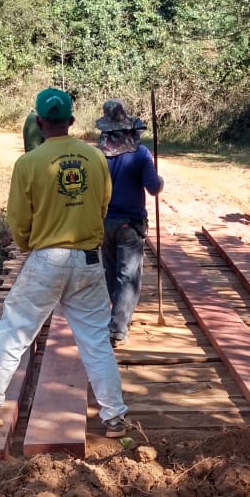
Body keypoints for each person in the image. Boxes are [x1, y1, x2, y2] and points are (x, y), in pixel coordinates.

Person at [0, 87, 133, 438]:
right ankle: (114, 416)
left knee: (13, 334)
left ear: (39, 122)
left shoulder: (28, 163)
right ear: (72, 120)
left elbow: (18, 218)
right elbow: (103, 205)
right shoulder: (96, 158)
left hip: (46, 260)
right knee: (96, 340)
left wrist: (30, 246)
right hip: (88, 261)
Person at [95, 99, 164, 347]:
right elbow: (153, 188)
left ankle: (117, 319)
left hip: (104, 223)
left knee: (113, 273)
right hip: (130, 224)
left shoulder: (96, 154)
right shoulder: (140, 154)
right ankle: (118, 328)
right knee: (128, 276)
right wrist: (160, 180)